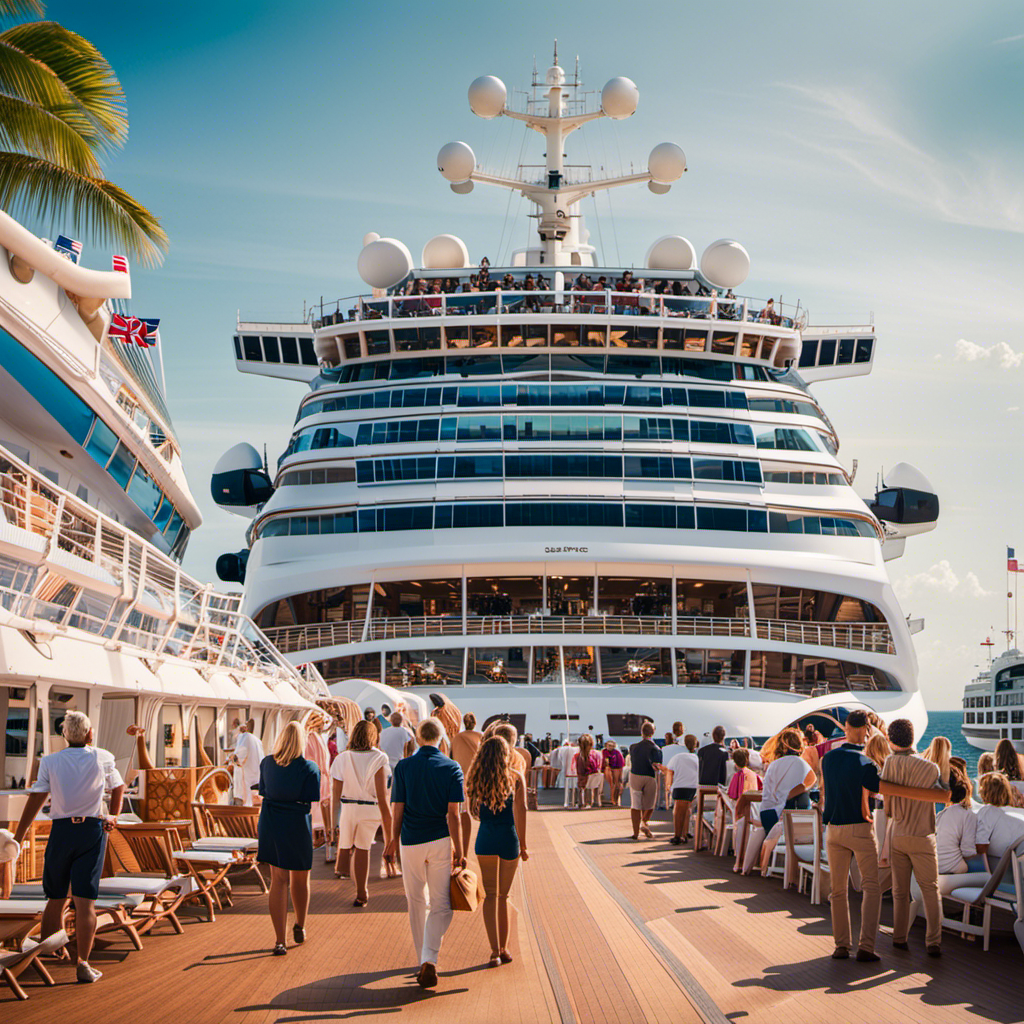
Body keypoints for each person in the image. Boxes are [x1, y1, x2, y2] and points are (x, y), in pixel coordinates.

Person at [12, 711, 124, 983]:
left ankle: (50, 955)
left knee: (55, 898)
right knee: (85, 902)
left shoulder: (50, 761)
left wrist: (19, 833)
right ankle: (83, 964)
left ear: (64, 735)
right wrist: (114, 816)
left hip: (61, 832)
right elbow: (118, 787)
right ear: (89, 734)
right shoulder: (103, 756)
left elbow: (37, 797)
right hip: (91, 831)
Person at [385, 718, 465, 989]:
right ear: (441, 738)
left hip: (410, 841)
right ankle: (429, 958)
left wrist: (391, 841)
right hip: (440, 839)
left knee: (416, 900)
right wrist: (460, 848)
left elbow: (398, 807)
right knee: (442, 905)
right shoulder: (452, 767)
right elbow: (454, 814)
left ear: (418, 739)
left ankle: (423, 959)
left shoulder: (404, 767)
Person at [820, 710, 884, 961]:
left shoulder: (829, 758)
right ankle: (866, 947)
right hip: (859, 828)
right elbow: (879, 791)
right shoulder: (868, 763)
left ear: (846, 726)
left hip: (834, 829)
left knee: (838, 890)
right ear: (867, 728)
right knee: (871, 888)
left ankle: (841, 945)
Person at [881, 718, 945, 957]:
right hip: (922, 835)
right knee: (930, 889)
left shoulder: (889, 764)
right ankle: (933, 941)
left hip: (898, 834)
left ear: (891, 739)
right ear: (912, 737)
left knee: (899, 891)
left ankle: (899, 937)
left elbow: (887, 808)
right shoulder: (931, 768)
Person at [257, 721, 321, 955]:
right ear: (302, 741)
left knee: (278, 880)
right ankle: (300, 926)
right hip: (297, 822)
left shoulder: (266, 763)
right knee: (300, 879)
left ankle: (279, 941)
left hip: (271, 822)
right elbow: (311, 797)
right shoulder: (310, 768)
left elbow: (263, 791)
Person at [466, 735, 528, 966]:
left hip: (485, 838)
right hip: (508, 837)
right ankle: (505, 948)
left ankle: (494, 951)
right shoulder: (516, 777)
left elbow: (472, 811)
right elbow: (520, 813)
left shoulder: (476, 778)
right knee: (504, 896)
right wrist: (523, 844)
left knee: (490, 896)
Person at [733, 729, 815, 874]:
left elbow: (767, 794)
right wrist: (794, 792)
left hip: (769, 816)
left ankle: (753, 860)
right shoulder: (802, 764)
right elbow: (812, 780)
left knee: (766, 821)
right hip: (790, 820)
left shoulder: (773, 765)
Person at [331, 720, 392, 904]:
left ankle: (349, 876)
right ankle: (361, 891)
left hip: (349, 808)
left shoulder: (342, 758)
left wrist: (333, 824)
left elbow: (335, 796)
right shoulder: (380, 758)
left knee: (348, 847)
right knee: (363, 848)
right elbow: (382, 797)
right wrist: (389, 833)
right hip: (371, 809)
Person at [936, 765, 981, 874]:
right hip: (952, 871)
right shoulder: (967, 815)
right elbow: (968, 851)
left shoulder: (940, 815)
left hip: (932, 870)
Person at [451, 713, 484, 859]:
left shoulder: (456, 738)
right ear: (475, 723)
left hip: (460, 779)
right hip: (477, 778)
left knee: (463, 813)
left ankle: (462, 852)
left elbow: (451, 757)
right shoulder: (481, 736)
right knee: (477, 813)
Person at [976, 772, 1024, 860]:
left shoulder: (988, 811)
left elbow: (980, 847)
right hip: (1018, 858)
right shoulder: (1018, 812)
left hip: (1009, 862)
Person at [628, 722, 663, 839]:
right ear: (653, 733)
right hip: (649, 776)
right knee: (650, 804)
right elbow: (657, 766)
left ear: (641, 732)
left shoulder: (633, 747)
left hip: (635, 775)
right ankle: (644, 822)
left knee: (635, 804)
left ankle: (635, 833)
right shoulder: (656, 748)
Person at [666, 734, 700, 844]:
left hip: (680, 786)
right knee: (687, 810)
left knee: (677, 811)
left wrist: (668, 785)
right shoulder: (697, 758)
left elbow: (670, 771)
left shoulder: (677, 757)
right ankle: (685, 834)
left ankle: (677, 836)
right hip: (692, 787)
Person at [232, 722, 262, 806]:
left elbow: (239, 758)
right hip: (256, 781)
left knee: (245, 807)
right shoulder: (257, 740)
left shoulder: (244, 738)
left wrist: (232, 759)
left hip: (246, 783)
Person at [573, 733, 602, 808]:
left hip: (583, 778)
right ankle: (594, 801)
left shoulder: (578, 756)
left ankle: (581, 802)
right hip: (594, 776)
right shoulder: (596, 754)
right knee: (594, 783)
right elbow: (598, 766)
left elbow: (578, 770)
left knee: (582, 784)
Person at [602, 740, 625, 806]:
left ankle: (615, 800)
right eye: (609, 745)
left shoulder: (617, 753)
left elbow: (620, 764)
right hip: (608, 768)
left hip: (616, 767)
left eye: (612, 746)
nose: (610, 747)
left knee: (616, 784)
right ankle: (612, 799)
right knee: (612, 784)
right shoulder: (604, 752)